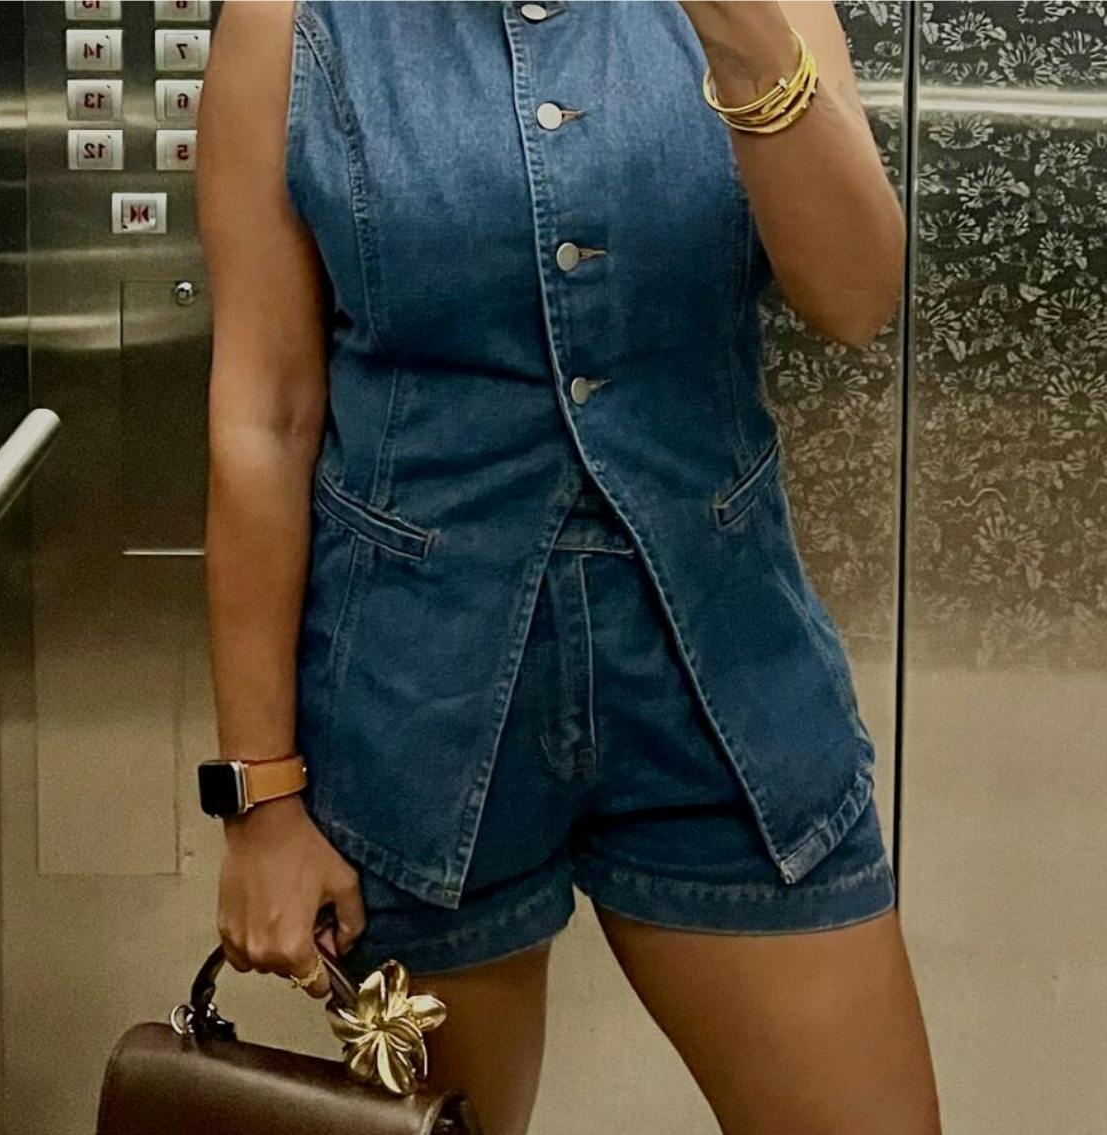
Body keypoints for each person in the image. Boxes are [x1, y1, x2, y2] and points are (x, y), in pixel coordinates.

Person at [197, 2, 940, 1132]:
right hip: (417, 703)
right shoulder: (292, 18)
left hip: (726, 679)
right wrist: (259, 799)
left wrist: (740, 32)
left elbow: (853, 297)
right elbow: (265, 414)